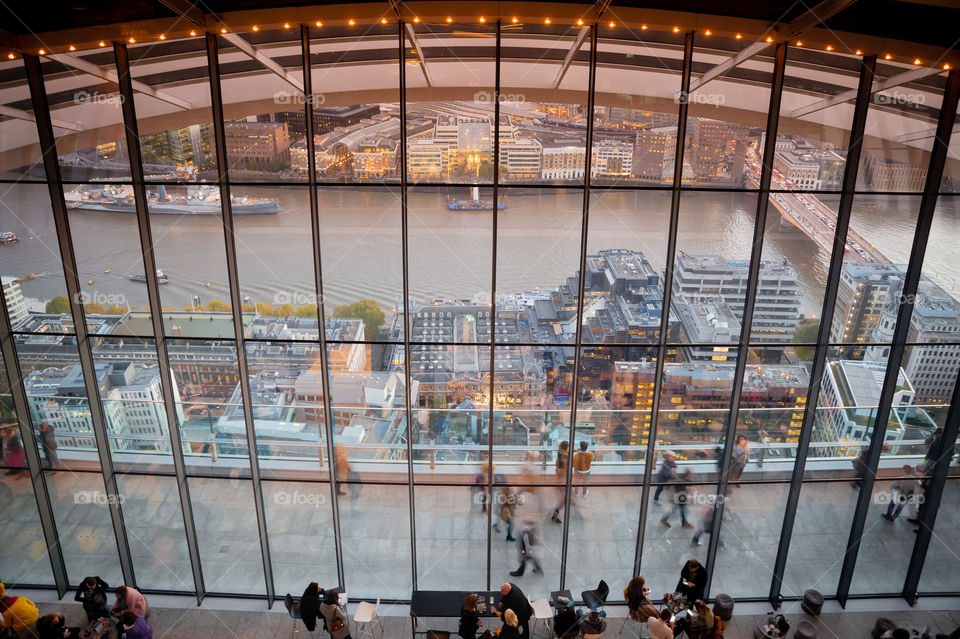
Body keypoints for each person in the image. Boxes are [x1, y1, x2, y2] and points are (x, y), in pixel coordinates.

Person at [551, 441, 569, 523]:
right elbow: (564, 470)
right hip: (563, 480)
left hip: (560, 479)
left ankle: (556, 512)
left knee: (564, 498)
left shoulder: (560, 453)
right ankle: (555, 514)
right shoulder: (566, 457)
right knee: (564, 499)